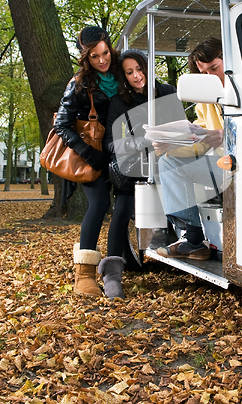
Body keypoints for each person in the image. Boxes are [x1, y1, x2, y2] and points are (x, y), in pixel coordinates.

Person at [101, 49, 177, 299]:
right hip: (136, 164)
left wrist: (168, 140)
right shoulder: (119, 101)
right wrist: (138, 142)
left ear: (148, 66)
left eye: (139, 69)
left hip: (169, 159)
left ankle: (187, 249)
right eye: (129, 72)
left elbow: (181, 128)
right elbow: (110, 145)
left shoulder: (166, 92)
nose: (137, 76)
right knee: (122, 208)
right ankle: (112, 275)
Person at [54, 26, 120, 297]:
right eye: (94, 56)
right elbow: (61, 124)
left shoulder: (120, 76)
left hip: (120, 151)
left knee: (126, 204)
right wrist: (87, 151)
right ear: (86, 57)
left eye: (105, 53)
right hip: (91, 154)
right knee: (100, 203)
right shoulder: (80, 82)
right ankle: (84, 274)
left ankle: (118, 268)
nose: (102, 60)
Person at [154, 37, 226, 261]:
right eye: (204, 74)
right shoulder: (206, 99)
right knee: (167, 162)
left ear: (228, 59)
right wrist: (172, 145)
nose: (210, 77)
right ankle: (193, 238)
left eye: (214, 68)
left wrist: (226, 136)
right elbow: (202, 138)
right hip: (225, 167)